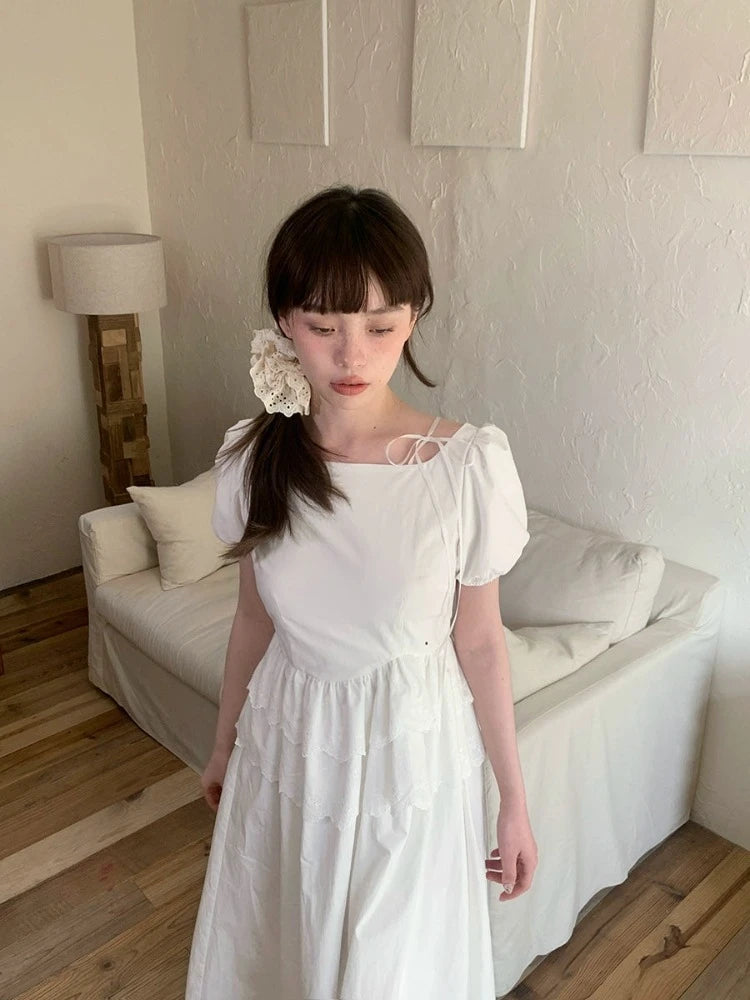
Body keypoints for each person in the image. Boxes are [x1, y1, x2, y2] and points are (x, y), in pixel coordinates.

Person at [185, 184, 538, 999]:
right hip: (290, 739)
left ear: (414, 317)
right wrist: (224, 742)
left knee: (393, 970)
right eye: (323, 326)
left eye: (380, 327)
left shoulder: (464, 468)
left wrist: (514, 801)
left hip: (409, 754)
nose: (352, 357)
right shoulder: (253, 459)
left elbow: (481, 642)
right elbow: (253, 620)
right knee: (287, 940)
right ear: (283, 320)